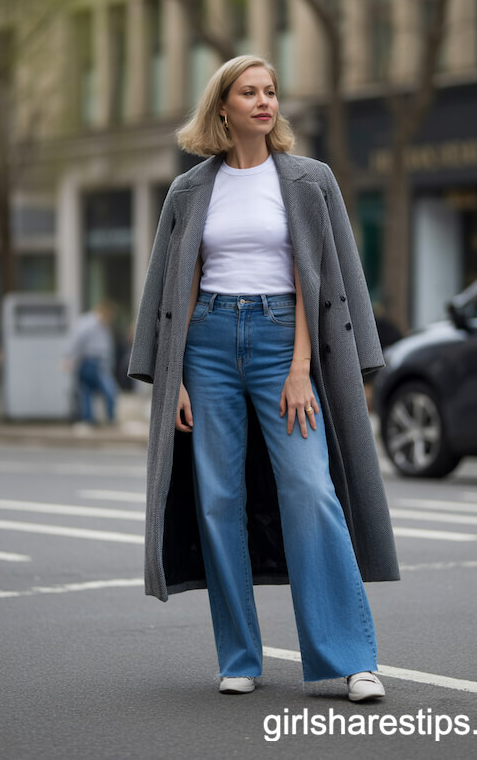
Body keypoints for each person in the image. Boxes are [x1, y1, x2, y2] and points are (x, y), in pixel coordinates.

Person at [128, 55, 399, 701]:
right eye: (249, 92)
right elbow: (177, 281)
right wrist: (177, 380)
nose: (263, 101)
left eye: (271, 91)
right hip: (210, 343)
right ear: (222, 107)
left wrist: (302, 366)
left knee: (311, 489)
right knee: (218, 500)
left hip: (285, 341)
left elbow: (322, 277)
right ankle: (240, 656)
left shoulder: (311, 180)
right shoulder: (191, 188)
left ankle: (352, 657)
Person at [64, 300, 118, 425]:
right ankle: (90, 420)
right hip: (89, 362)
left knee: (102, 391)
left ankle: (106, 418)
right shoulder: (87, 324)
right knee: (88, 392)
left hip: (99, 362)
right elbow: (76, 341)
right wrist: (68, 357)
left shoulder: (103, 326)